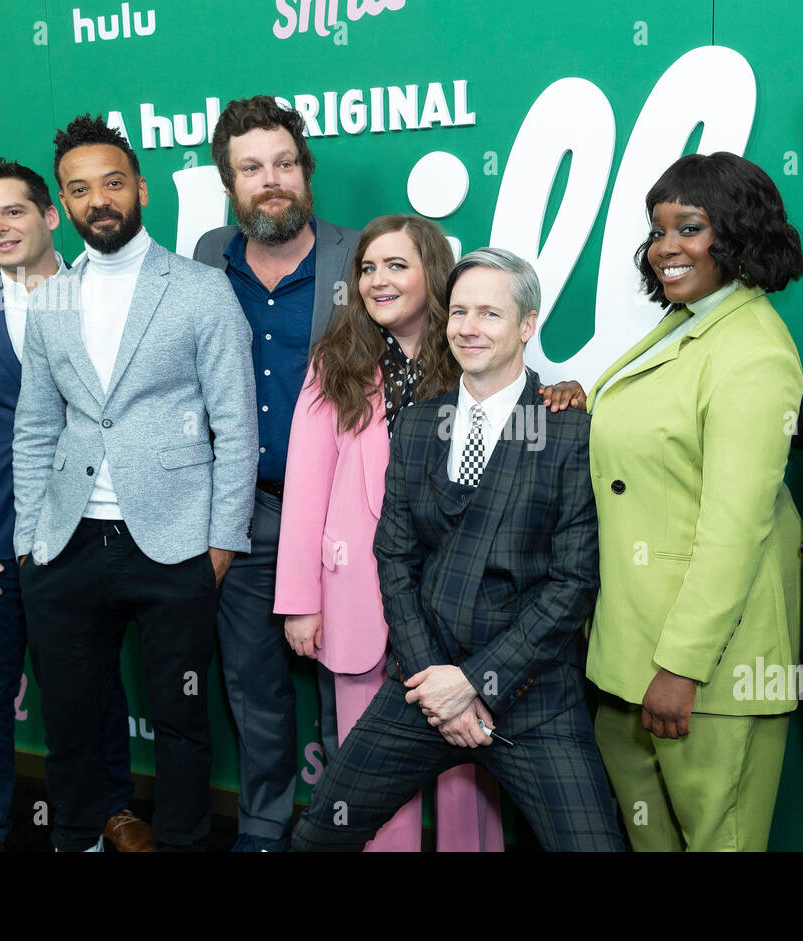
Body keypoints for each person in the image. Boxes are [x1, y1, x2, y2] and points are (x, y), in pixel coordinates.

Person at [290, 248, 624, 852]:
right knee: (320, 832)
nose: (469, 328)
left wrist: (475, 682)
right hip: (423, 683)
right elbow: (394, 559)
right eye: (460, 312)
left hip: (534, 696)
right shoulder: (418, 425)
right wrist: (433, 684)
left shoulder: (569, 430)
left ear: (527, 325)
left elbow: (573, 584)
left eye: (490, 314)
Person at [13, 114, 258, 852]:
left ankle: (182, 842)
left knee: (182, 719)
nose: (99, 201)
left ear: (140, 188)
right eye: (80, 189)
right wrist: (29, 542)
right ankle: (79, 836)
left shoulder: (201, 289)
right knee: (71, 715)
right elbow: (33, 428)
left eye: (112, 183)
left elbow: (236, 426)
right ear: (63, 204)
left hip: (176, 540)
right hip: (66, 543)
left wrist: (221, 541)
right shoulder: (50, 298)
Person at [0, 158, 151, 853]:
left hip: (84, 532)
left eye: (12, 211)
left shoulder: (105, 297)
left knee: (90, 682)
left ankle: (111, 808)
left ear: (50, 216)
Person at [581, 153, 803, 851]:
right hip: (628, 657)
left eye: (690, 227)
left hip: (705, 671)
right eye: (657, 230)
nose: (666, 247)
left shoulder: (752, 352)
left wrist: (680, 667)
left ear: (736, 234)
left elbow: (733, 532)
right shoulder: (690, 322)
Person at [274, 214, 503, 851]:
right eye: (368, 268)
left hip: (456, 603)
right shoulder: (336, 363)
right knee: (370, 777)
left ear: (434, 272)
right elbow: (306, 487)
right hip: (357, 603)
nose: (378, 280)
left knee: (463, 775)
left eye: (397, 266)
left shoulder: (474, 357)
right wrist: (300, 600)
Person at [192, 95, 359, 852]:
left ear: (306, 170)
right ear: (229, 183)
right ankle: (262, 828)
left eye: (285, 163)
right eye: (252, 167)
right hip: (242, 512)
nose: (272, 180)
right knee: (253, 686)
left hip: (343, 518)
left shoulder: (361, 258)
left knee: (349, 686)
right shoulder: (203, 260)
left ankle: (343, 829)